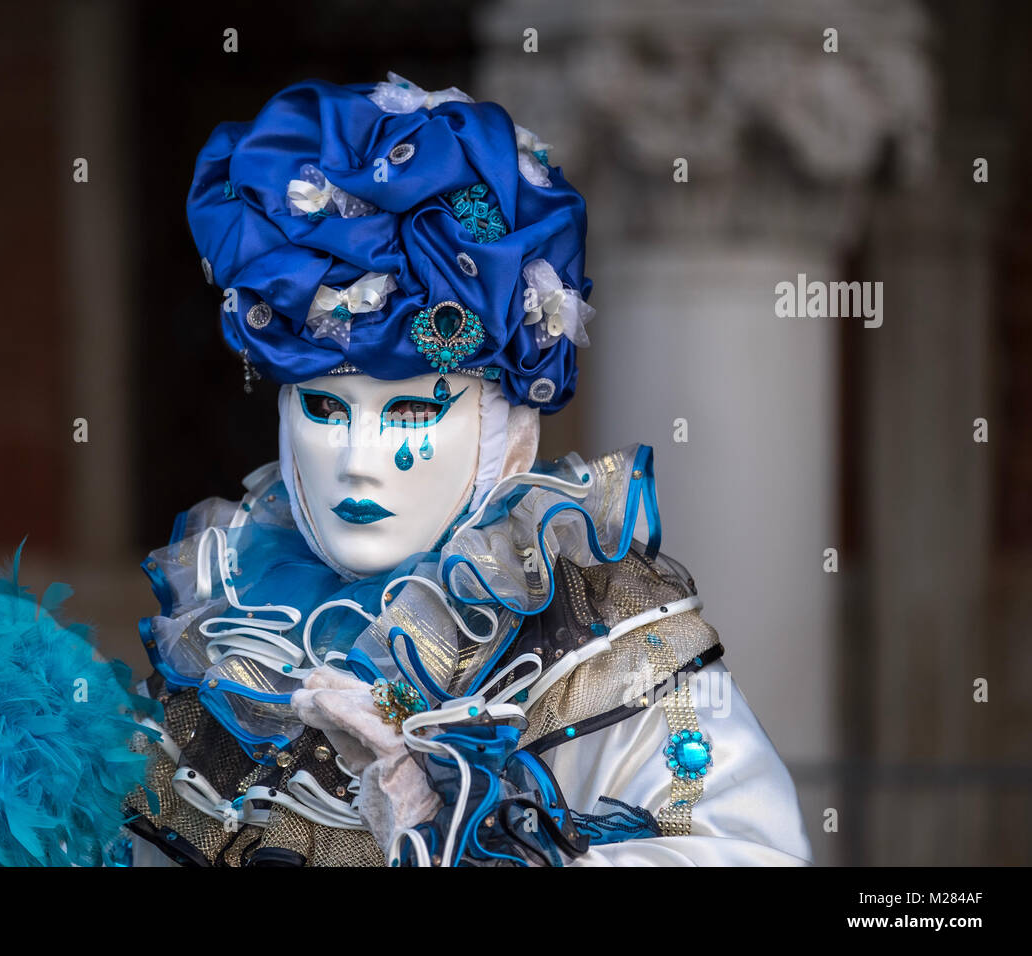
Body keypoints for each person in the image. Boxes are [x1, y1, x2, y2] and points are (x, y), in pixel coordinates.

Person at [125, 74, 812, 867]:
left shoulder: (608, 648)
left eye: (414, 412)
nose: (357, 460)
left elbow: (754, 856)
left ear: (505, 431)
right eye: (324, 410)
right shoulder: (233, 632)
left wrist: (461, 835)